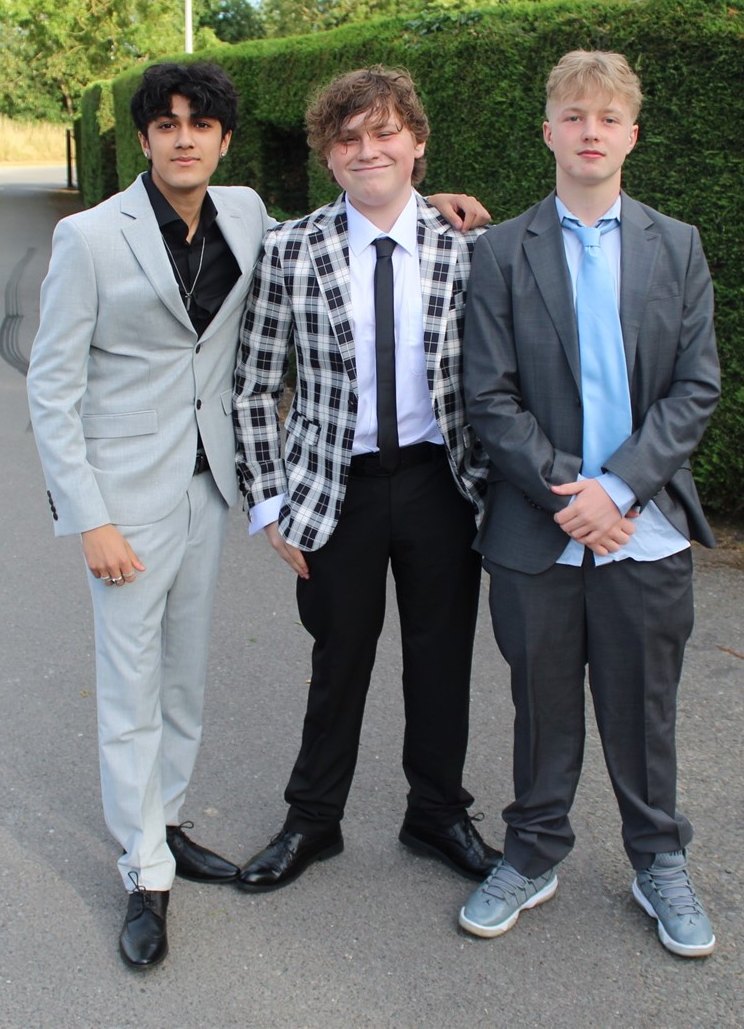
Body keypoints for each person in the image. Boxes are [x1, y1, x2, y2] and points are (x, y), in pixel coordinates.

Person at [26, 60, 487, 969]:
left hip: (253, 487)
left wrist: (435, 204)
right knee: (138, 678)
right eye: (166, 124)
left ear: (225, 140)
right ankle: (150, 866)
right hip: (141, 496)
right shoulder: (94, 237)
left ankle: (183, 822)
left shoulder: (247, 216)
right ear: (144, 137)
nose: (183, 138)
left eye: (199, 125)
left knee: (187, 674)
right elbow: (56, 387)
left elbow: (367, 215)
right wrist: (91, 515)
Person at [458, 50, 721, 958]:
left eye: (607, 118)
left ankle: (659, 861)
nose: (590, 132)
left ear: (631, 136)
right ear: (548, 132)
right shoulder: (499, 251)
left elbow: (694, 388)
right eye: (573, 116)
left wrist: (616, 489)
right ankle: (530, 854)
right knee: (540, 707)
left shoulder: (676, 245)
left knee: (642, 710)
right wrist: (568, 491)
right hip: (538, 527)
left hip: (643, 526)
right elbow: (487, 395)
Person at [233, 66, 501, 893]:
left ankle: (437, 814)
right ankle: (313, 820)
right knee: (338, 658)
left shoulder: (468, 246)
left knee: (440, 660)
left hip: (440, 485)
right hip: (332, 491)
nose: (366, 150)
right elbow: (253, 386)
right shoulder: (288, 249)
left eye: (384, 132)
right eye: (346, 138)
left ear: (416, 143)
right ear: (327, 155)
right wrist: (269, 503)